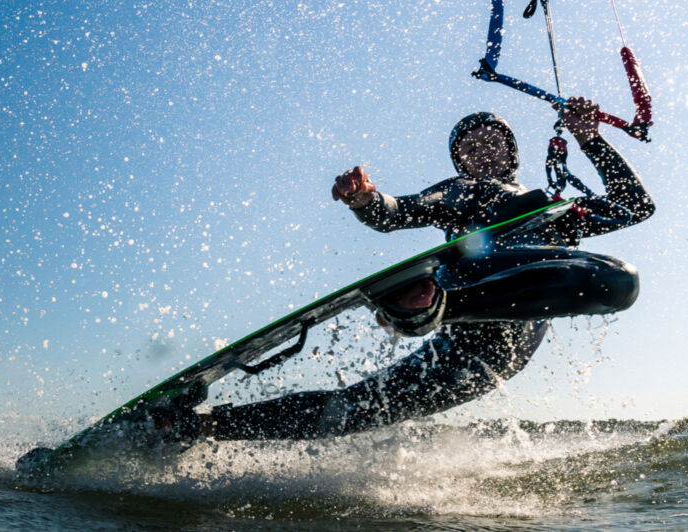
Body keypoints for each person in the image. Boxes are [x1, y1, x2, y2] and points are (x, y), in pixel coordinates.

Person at [180, 97, 654, 442]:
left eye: (492, 142)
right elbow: (397, 212)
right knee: (351, 404)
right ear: (459, 162)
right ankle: (189, 424)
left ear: (512, 154)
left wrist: (590, 138)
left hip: (495, 357)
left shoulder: (552, 209)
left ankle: (197, 429)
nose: (482, 151)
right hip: (460, 323)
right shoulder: (463, 192)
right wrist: (366, 199)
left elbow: (635, 205)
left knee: (620, 280)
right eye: (470, 148)